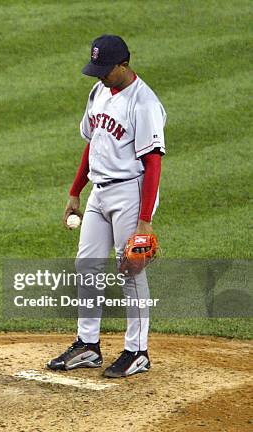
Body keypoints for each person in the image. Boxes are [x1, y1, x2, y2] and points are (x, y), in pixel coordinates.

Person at [47, 35, 166, 378]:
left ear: (123, 65)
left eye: (105, 70)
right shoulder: (99, 92)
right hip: (99, 192)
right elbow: (93, 143)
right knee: (87, 265)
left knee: (130, 271)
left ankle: (137, 351)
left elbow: (153, 162)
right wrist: (75, 192)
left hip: (131, 192)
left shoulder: (144, 103)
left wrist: (145, 220)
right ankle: (87, 345)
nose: (99, 75)